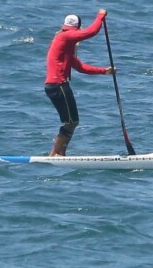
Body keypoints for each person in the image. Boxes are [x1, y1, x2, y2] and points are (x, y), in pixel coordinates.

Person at [45, 9, 115, 157]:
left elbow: (81, 67)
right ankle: (55, 155)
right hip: (59, 86)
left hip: (56, 86)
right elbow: (91, 32)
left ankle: (58, 154)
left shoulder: (64, 45)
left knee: (72, 121)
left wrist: (104, 71)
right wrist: (100, 16)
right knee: (72, 121)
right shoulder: (65, 37)